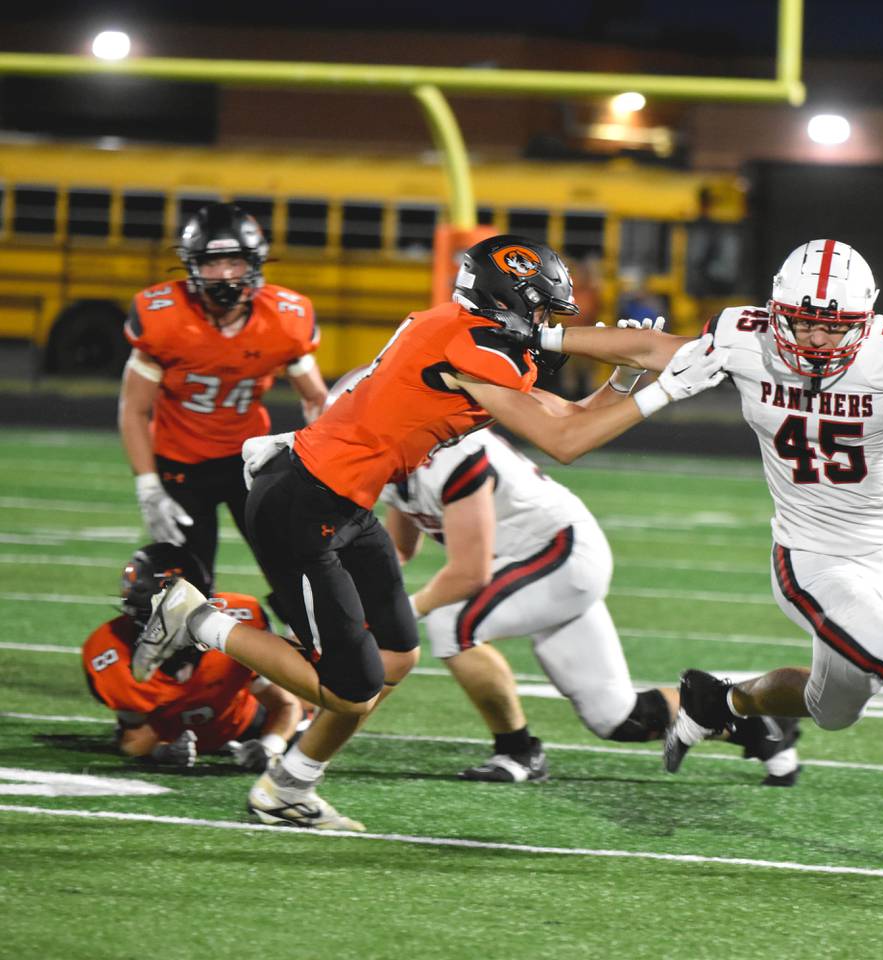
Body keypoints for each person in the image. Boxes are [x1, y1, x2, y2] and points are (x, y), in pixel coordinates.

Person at [130, 234, 728, 831]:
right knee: (347, 691)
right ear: (510, 300)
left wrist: (628, 379)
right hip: (305, 502)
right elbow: (565, 441)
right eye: (540, 309)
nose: (545, 324)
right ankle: (196, 618)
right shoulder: (471, 347)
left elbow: (570, 414)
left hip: (344, 499)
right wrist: (669, 390)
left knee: (396, 656)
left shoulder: (467, 332)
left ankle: (289, 788)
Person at [526, 238, 883, 876]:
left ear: (867, 319)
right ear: (777, 309)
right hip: (810, 558)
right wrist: (546, 339)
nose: (818, 338)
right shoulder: (744, 336)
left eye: (835, 325)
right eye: (806, 321)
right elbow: (653, 349)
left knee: (834, 707)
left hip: (880, 550)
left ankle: (720, 702)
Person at [373, 343, 799, 785]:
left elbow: (469, 572)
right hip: (530, 569)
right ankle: (755, 720)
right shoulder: (398, 453)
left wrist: (400, 612)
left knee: (450, 624)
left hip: (558, 554)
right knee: (617, 717)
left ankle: (517, 751)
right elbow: (401, 548)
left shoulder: (452, 452)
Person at [118, 202, 329, 578]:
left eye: (235, 262)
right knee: (187, 580)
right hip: (180, 463)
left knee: (294, 563)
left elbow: (315, 399)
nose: (225, 274)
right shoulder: (164, 318)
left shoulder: (284, 320)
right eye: (212, 264)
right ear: (192, 266)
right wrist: (148, 487)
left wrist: (322, 470)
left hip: (250, 460)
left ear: (255, 263)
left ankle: (297, 634)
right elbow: (134, 409)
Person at [82, 542, 304, 770]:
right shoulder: (112, 653)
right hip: (169, 734)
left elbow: (285, 704)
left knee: (311, 702)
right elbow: (133, 738)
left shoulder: (239, 623)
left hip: (245, 724)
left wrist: (270, 746)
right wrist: (160, 751)